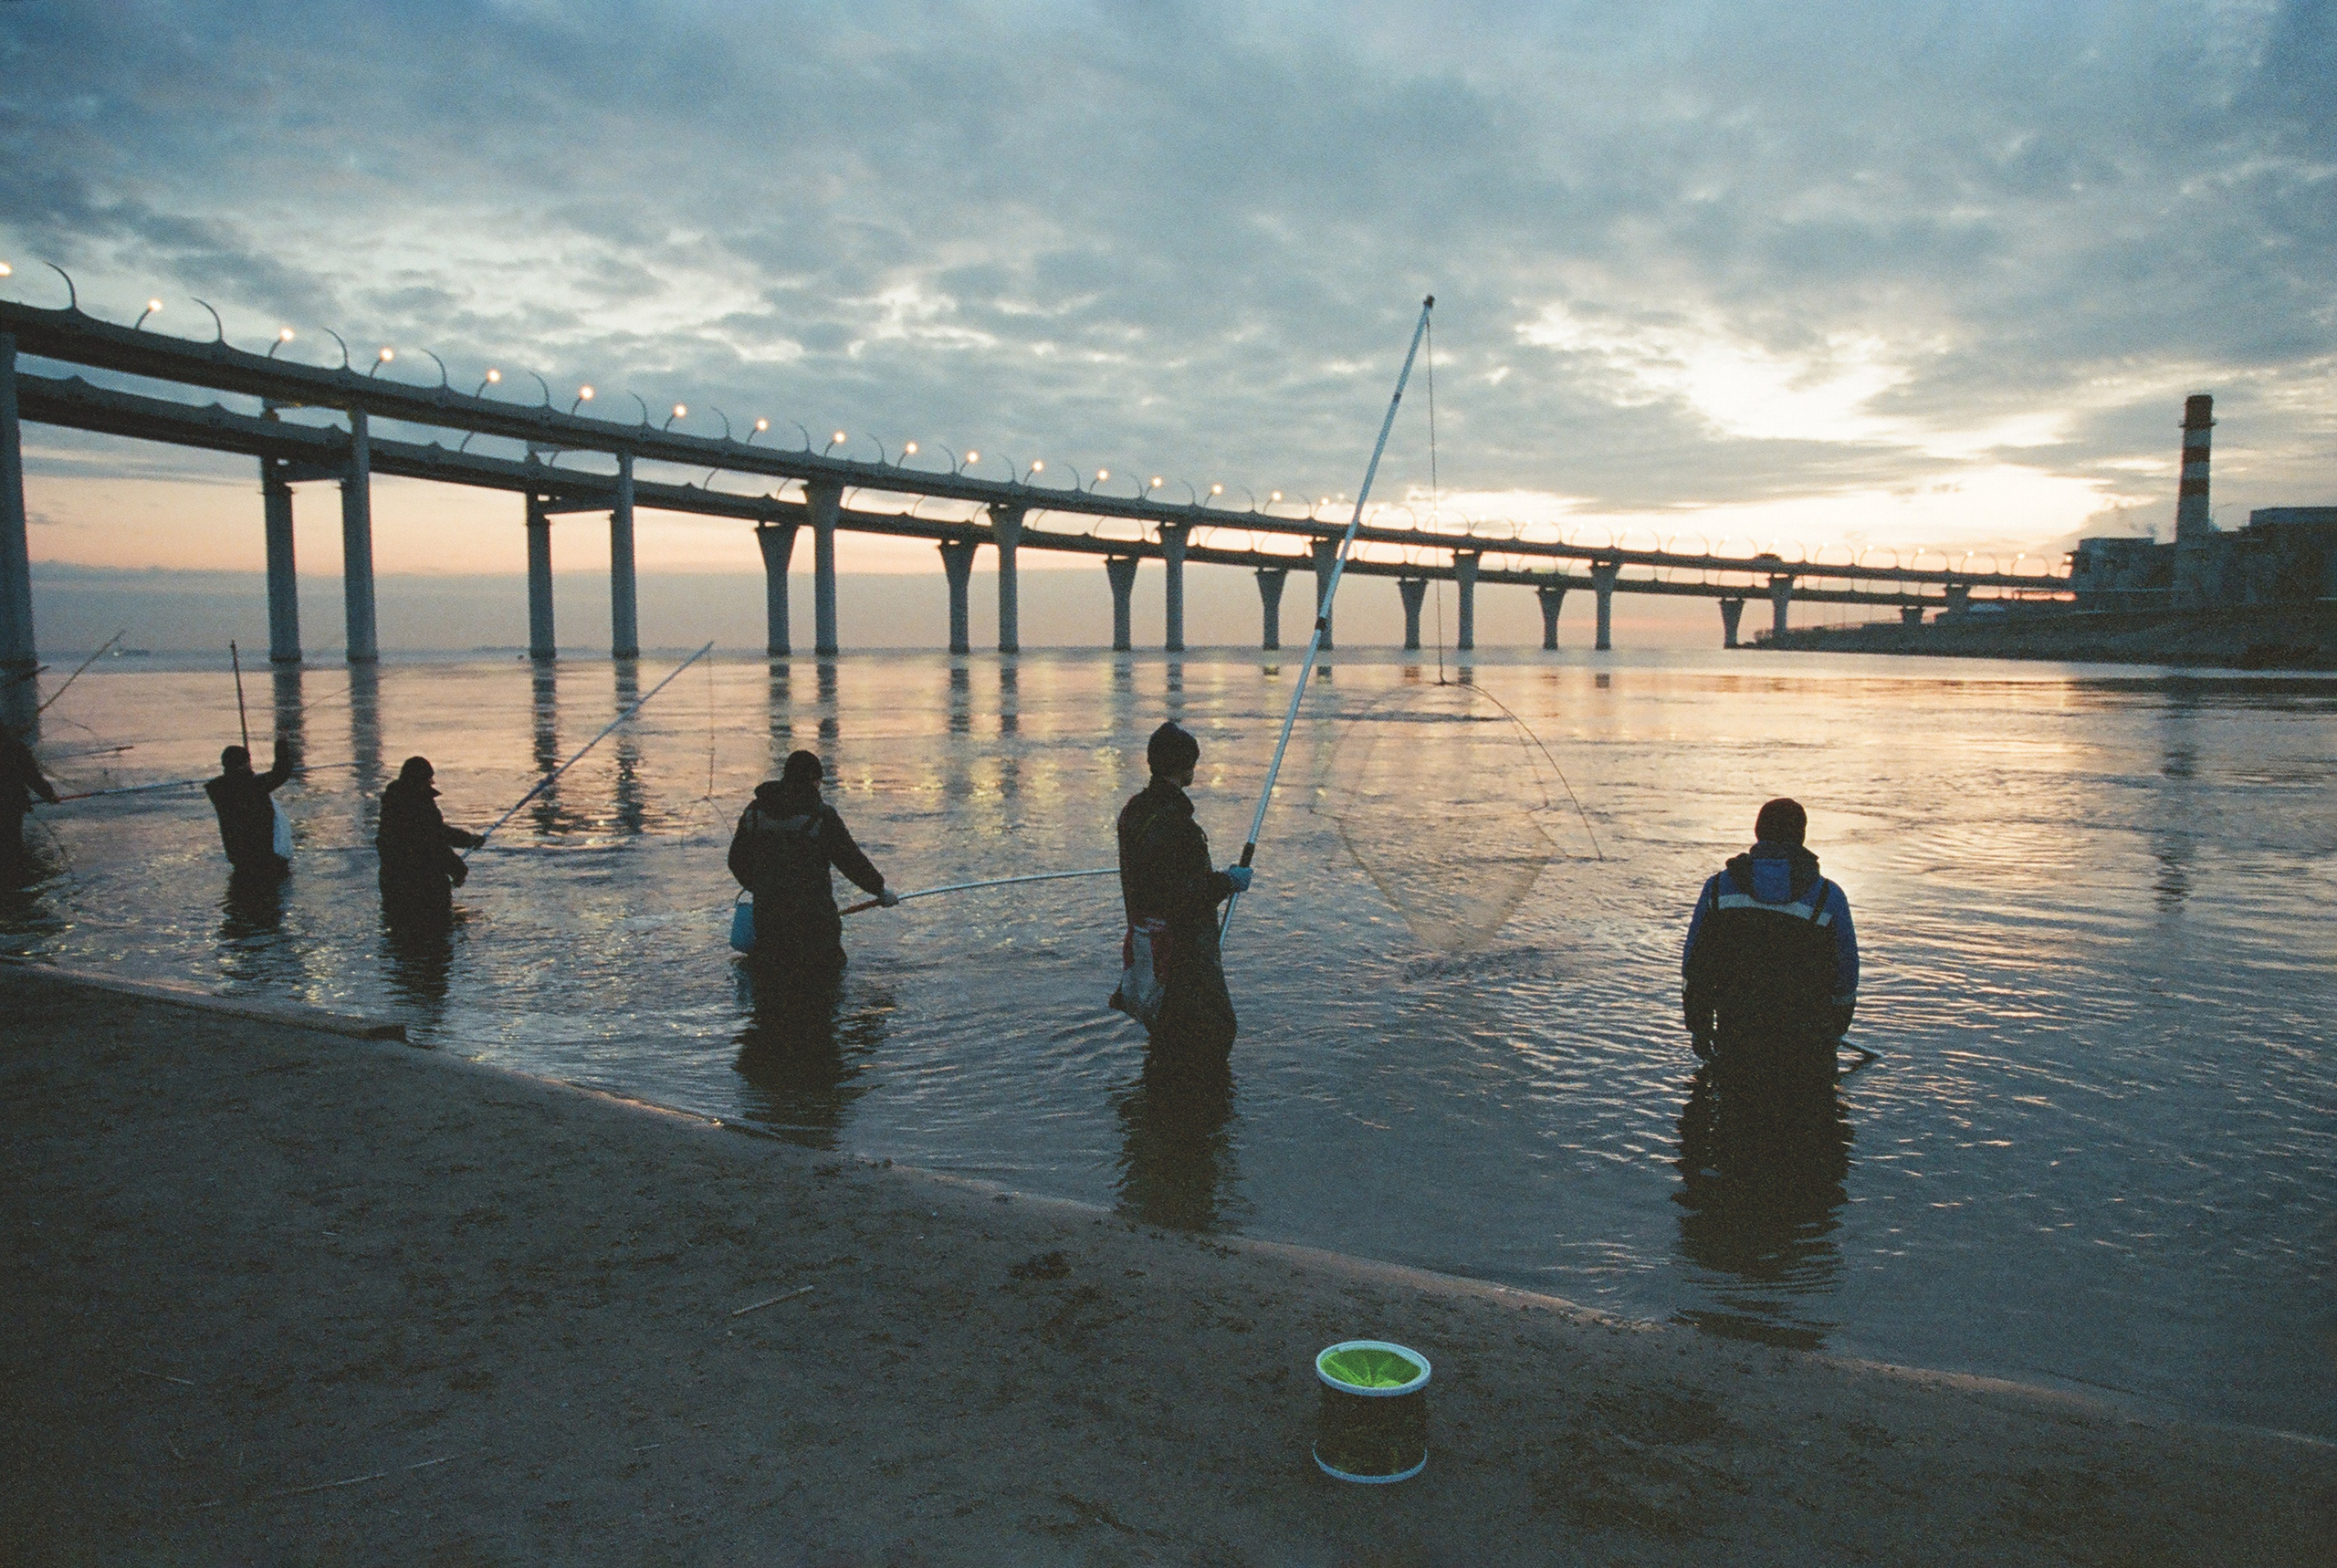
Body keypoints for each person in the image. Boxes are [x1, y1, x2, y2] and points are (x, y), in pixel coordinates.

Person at [1681, 798, 1859, 1085]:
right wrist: (1835, 1032)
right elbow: (1846, 975)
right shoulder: (1828, 898)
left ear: (1757, 832)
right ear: (1801, 837)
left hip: (1736, 1038)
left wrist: (1700, 1029)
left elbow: (1695, 968)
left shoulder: (1717, 890)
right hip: (1807, 1045)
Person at [1114, 721, 1251, 1059]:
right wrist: (1229, 881)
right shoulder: (1177, 825)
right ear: (1186, 766)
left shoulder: (1134, 810)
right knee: (1215, 1028)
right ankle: (1198, 1102)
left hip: (1146, 938)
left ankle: (1162, 1097)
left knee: (1166, 1026)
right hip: (1183, 950)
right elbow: (1186, 896)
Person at [727, 749, 896, 980]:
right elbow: (851, 862)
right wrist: (879, 890)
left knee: (770, 993)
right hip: (815, 924)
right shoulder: (821, 817)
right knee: (823, 989)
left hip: (769, 922)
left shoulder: (754, 813)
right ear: (814, 781)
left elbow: (736, 861)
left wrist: (762, 887)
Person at [376, 756, 483, 917]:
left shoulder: (393, 804)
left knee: (397, 926)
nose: (430, 783)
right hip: (424, 887)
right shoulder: (419, 806)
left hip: (392, 883)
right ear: (418, 782)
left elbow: (434, 834)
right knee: (436, 930)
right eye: (427, 780)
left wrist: (467, 840)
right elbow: (433, 843)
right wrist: (457, 867)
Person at [204, 737, 296, 877]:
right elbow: (281, 772)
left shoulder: (216, 789)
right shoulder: (253, 785)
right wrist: (281, 743)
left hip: (237, 855)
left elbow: (235, 782)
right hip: (264, 856)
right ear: (246, 763)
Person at [1, 726, 60, 881]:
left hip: (11, 802)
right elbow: (32, 776)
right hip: (11, 804)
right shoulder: (17, 748)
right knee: (11, 841)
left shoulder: (17, 748)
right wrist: (49, 795)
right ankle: (15, 877)